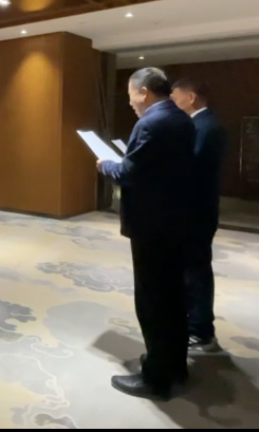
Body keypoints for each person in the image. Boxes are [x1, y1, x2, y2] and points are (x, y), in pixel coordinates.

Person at [98, 67, 195, 401]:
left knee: (153, 301)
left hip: (152, 226)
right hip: (173, 221)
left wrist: (105, 164)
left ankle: (156, 379)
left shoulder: (152, 122)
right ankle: (173, 364)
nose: (130, 103)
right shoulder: (181, 118)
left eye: (131, 96)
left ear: (144, 92)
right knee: (173, 298)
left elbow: (130, 172)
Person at [170, 78, 228, 354]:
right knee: (192, 269)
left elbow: (190, 167)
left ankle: (201, 331)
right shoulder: (204, 123)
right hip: (196, 208)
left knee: (196, 271)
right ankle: (196, 326)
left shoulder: (205, 126)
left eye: (175, 98)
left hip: (195, 211)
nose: (172, 103)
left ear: (191, 97)